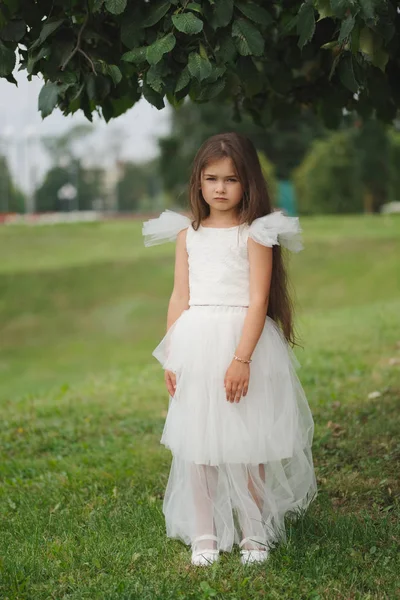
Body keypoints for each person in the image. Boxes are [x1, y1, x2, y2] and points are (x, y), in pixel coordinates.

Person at [142, 132, 318, 567]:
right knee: (200, 441)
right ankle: (205, 534)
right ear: (198, 183)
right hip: (197, 341)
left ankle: (253, 534)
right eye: (211, 178)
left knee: (247, 440)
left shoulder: (256, 233)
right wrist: (173, 355)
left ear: (248, 183)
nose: (220, 188)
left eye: (231, 179)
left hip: (244, 343)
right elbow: (179, 297)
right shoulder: (188, 233)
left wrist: (242, 359)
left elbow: (258, 300)